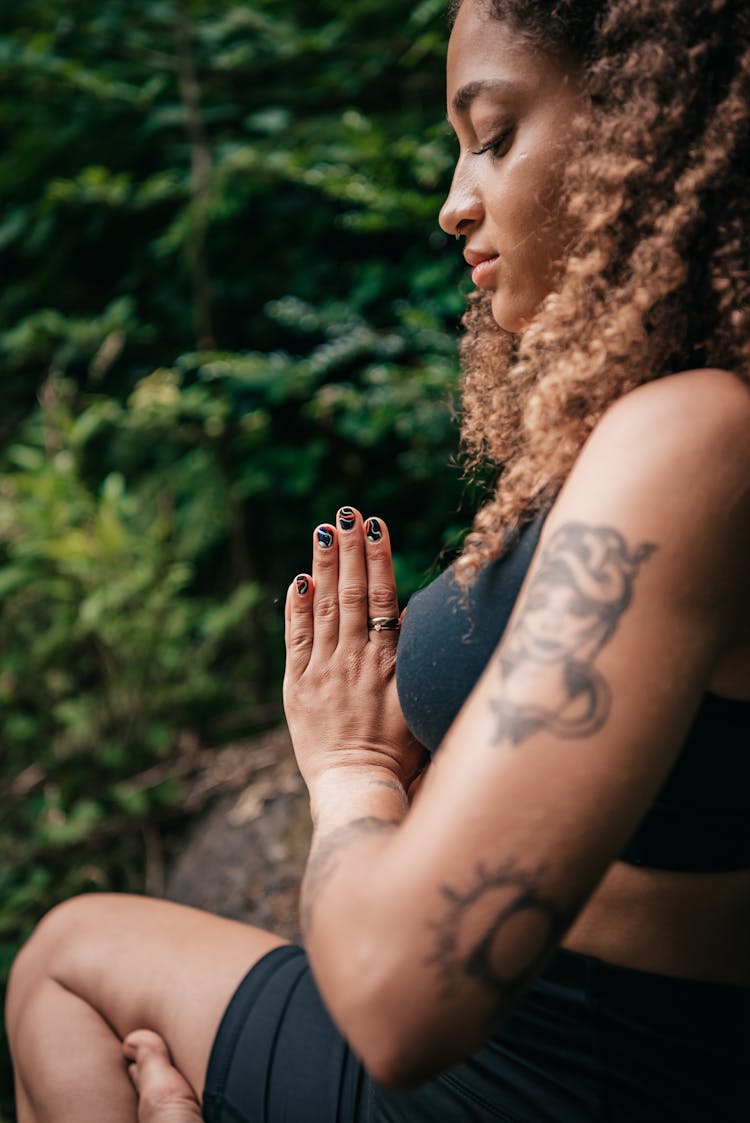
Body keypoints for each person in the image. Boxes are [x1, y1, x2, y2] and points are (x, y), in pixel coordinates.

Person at [6, 0, 750, 1119]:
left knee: (67, 964)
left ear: (650, 127)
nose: (455, 203)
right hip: (556, 1050)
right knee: (78, 946)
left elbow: (403, 999)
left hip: (536, 1078)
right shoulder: (664, 427)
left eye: (494, 134)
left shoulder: (698, 435)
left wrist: (352, 778)